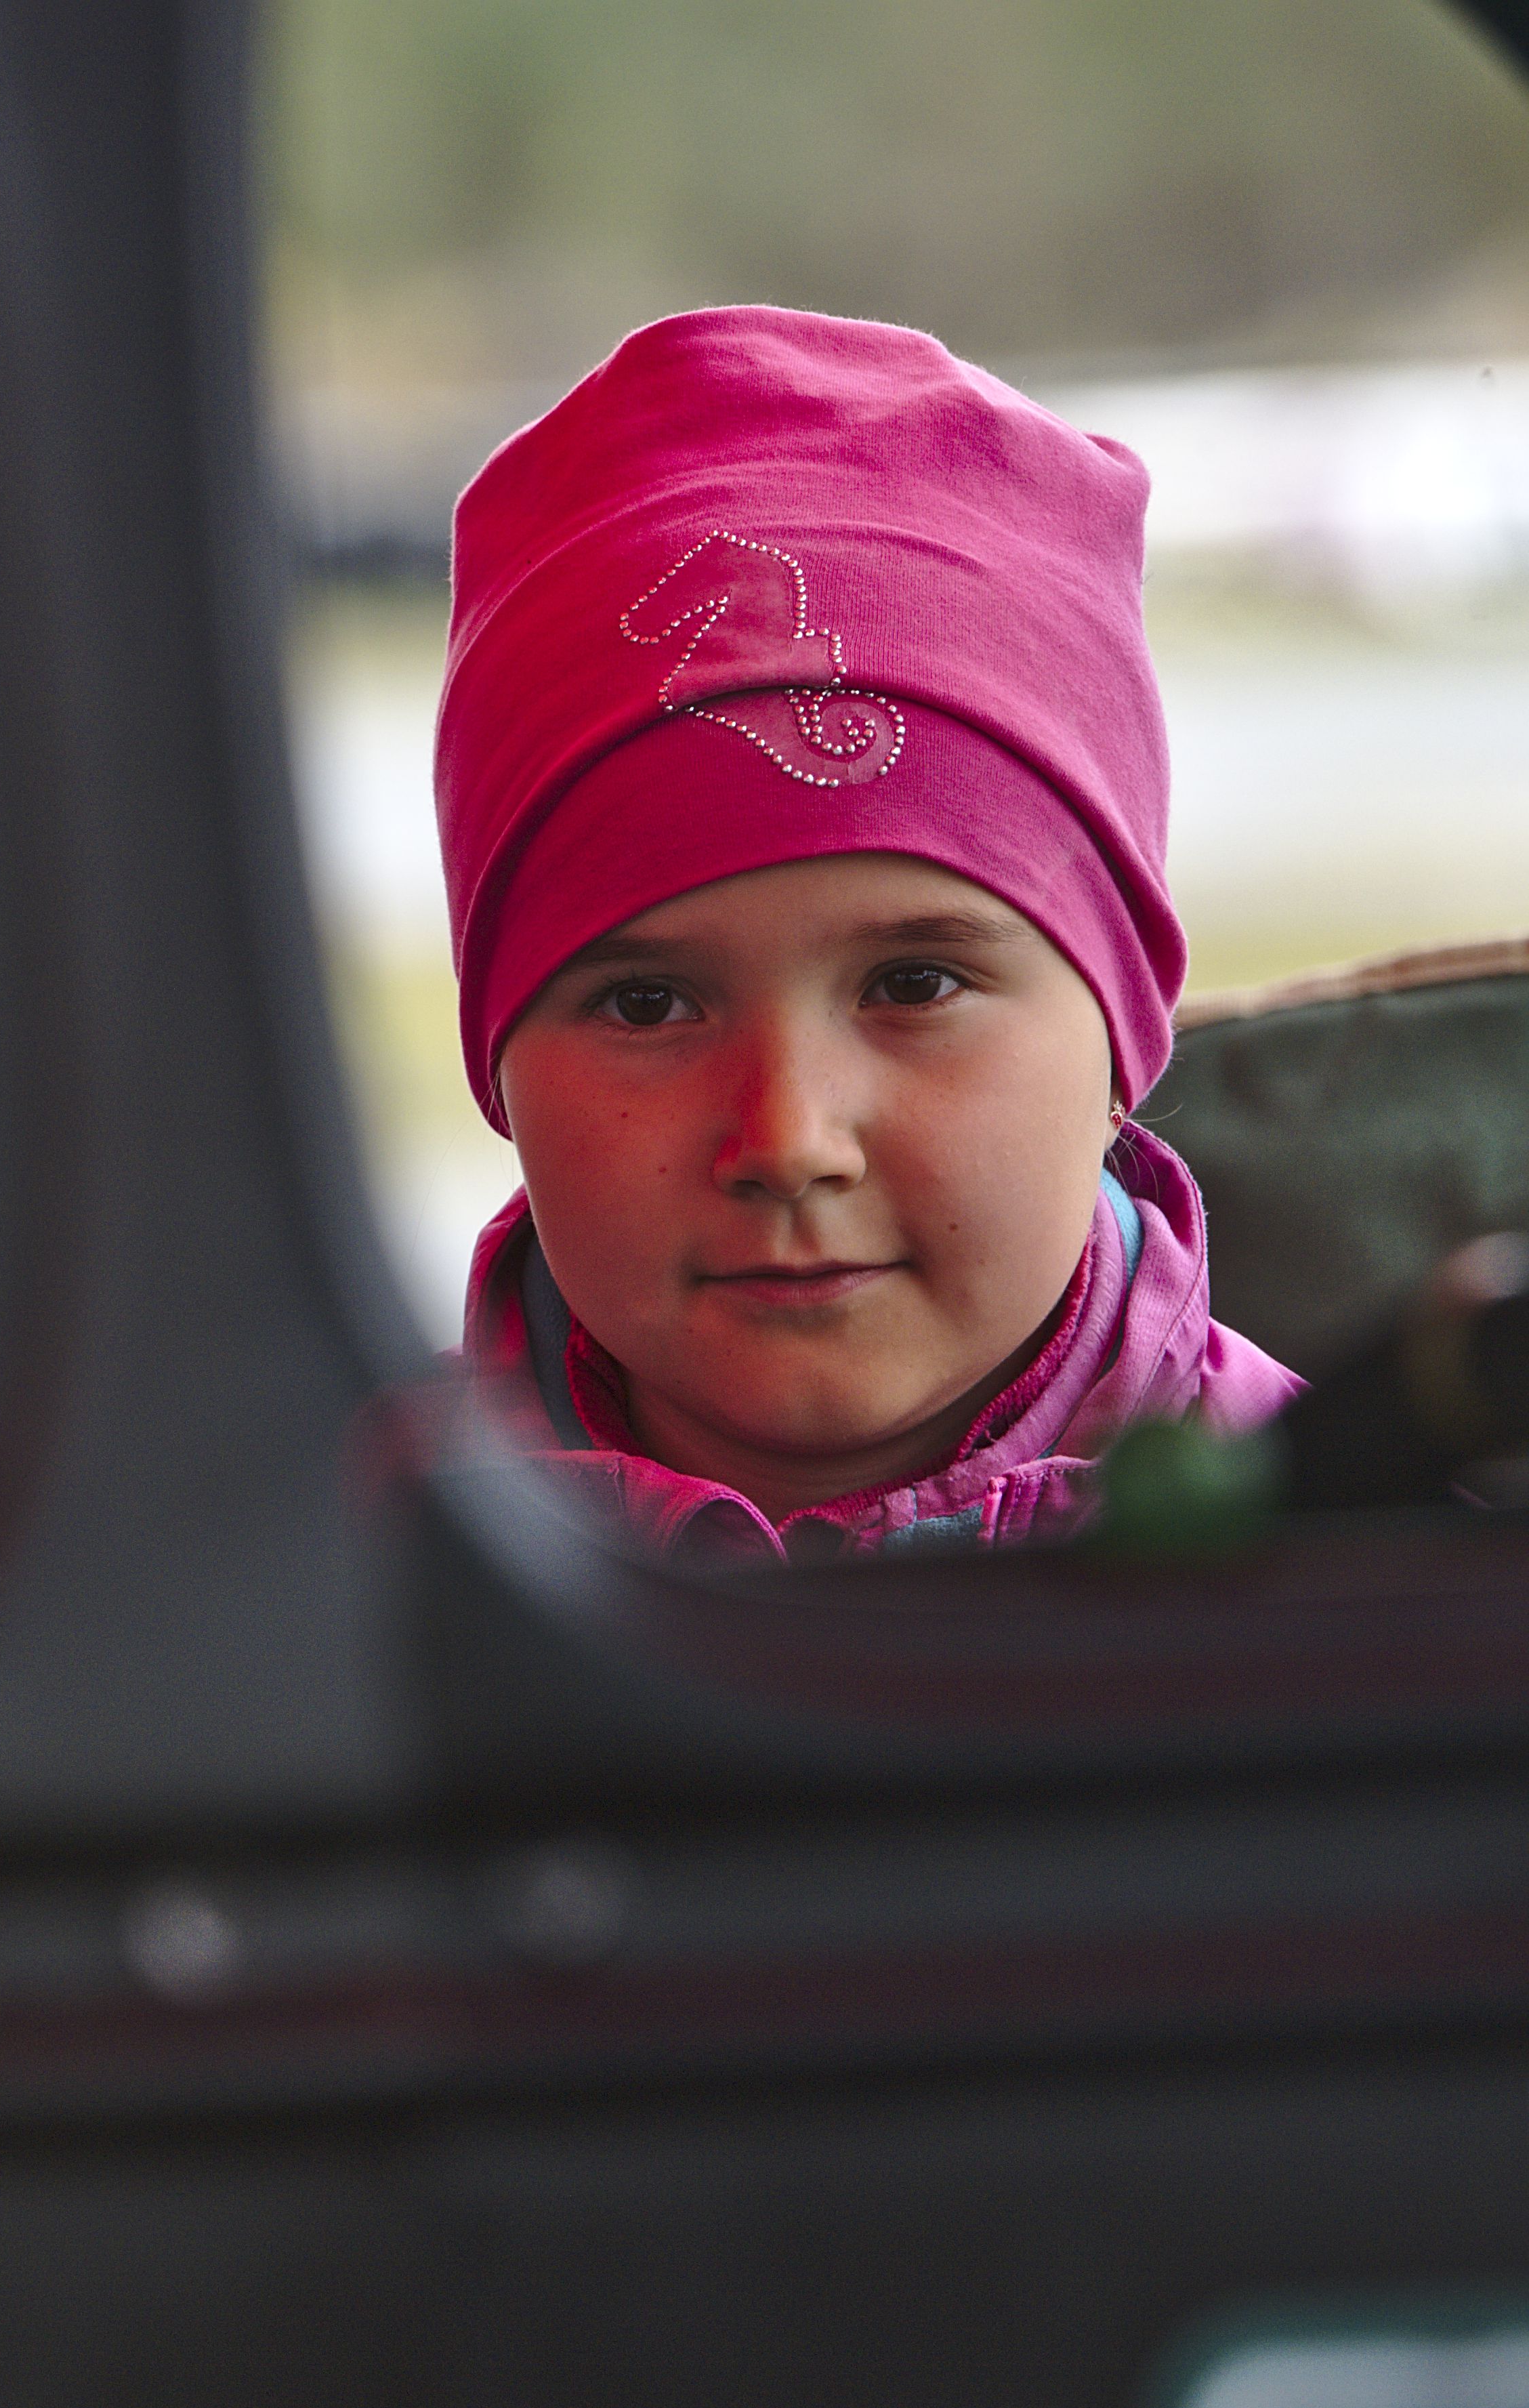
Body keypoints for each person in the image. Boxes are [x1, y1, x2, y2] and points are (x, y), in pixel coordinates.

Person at [435, 305, 1300, 1561]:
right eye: (646, 1004)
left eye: (914, 983)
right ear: (499, 1067)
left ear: (1124, 1036)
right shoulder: (317, 1582)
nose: (789, 1142)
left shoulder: (1372, 1564)